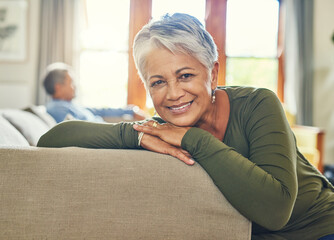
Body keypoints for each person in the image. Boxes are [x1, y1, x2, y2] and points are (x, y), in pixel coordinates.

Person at [38, 13, 334, 239]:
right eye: (157, 82)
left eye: (185, 76)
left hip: (321, 228)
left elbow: (275, 210)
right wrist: (134, 135)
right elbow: (50, 140)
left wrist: (194, 139)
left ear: (213, 73)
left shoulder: (258, 103)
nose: (173, 94)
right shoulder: (160, 131)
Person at [42, 62, 146, 123]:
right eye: (71, 82)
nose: (74, 86)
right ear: (58, 87)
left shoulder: (71, 105)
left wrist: (131, 110)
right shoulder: (56, 108)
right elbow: (75, 132)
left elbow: (101, 111)